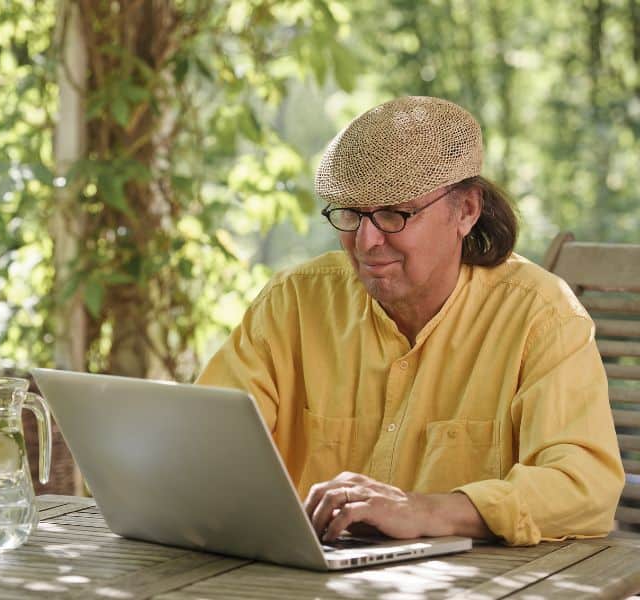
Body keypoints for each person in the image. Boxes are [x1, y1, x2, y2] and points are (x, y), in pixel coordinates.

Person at [196, 95, 624, 546]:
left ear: (466, 211)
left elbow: (585, 488)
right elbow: (202, 442)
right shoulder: (293, 302)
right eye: (351, 214)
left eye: (392, 214)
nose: (366, 241)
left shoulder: (541, 315)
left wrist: (427, 509)